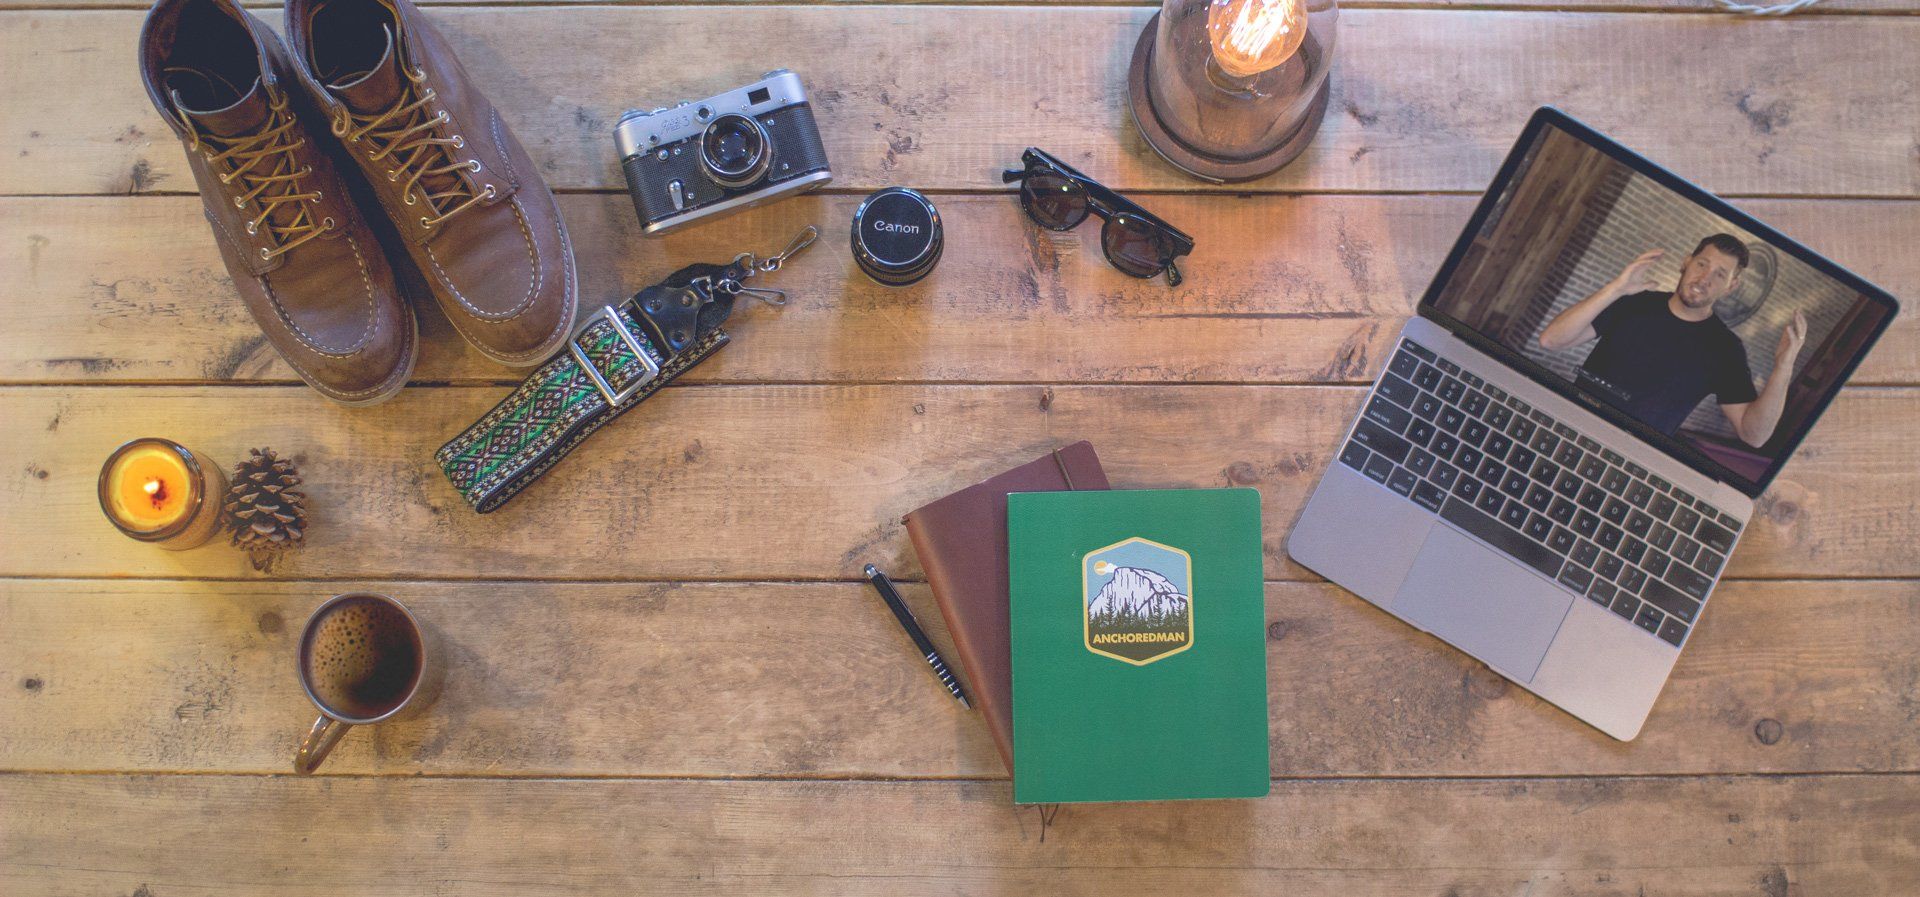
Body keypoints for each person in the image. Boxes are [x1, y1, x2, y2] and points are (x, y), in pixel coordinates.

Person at [1538, 234, 1807, 447]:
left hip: (1631, 460)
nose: (1705, 279)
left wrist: (1783, 367)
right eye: (1702, 264)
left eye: (1720, 274)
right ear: (1685, 262)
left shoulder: (1725, 350)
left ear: (1731, 287)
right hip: (1570, 426)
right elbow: (1551, 340)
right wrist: (1614, 289)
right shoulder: (1634, 303)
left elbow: (1753, 435)